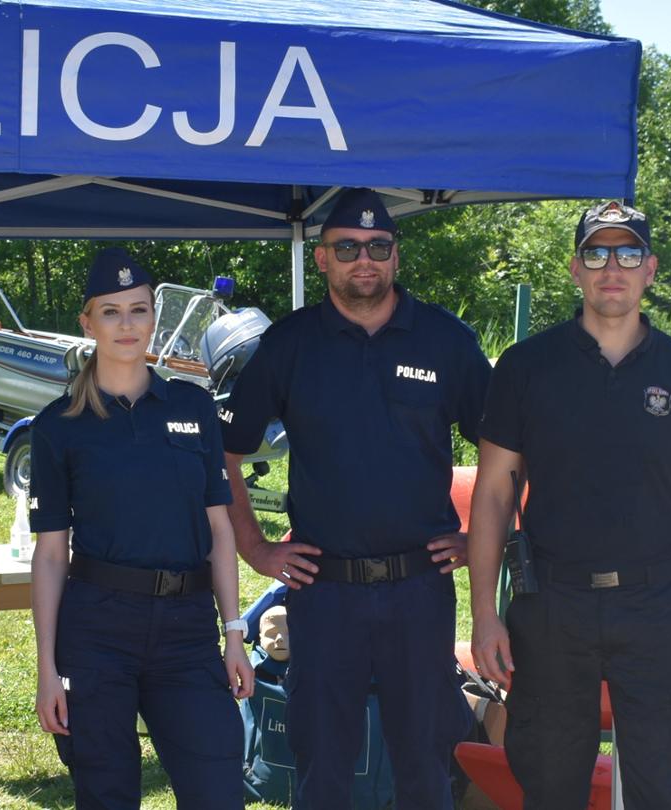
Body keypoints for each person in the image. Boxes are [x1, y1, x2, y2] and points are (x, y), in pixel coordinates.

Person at [465, 200, 671, 810]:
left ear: (650, 268)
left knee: (667, 795)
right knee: (550, 792)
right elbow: (492, 495)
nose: (611, 267)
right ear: (575, 269)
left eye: (627, 253)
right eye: (596, 253)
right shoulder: (526, 367)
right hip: (551, 607)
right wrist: (484, 613)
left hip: (654, 608)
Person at [218, 188, 492, 809]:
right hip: (325, 593)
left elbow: (509, 447)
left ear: (395, 254)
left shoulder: (445, 340)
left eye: (377, 246)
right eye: (347, 247)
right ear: (322, 258)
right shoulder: (290, 344)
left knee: (425, 767)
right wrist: (256, 548)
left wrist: (481, 537)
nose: (363, 259)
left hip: (419, 591)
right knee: (322, 768)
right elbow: (223, 451)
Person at [27, 248, 255, 810]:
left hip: (187, 629)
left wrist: (233, 633)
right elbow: (52, 554)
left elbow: (219, 529)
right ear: (88, 323)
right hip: (98, 628)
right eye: (111, 312)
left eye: (138, 309)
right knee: (106, 790)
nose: (126, 324)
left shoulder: (193, 407)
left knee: (217, 786)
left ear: (154, 318)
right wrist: (47, 668)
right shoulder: (59, 425)